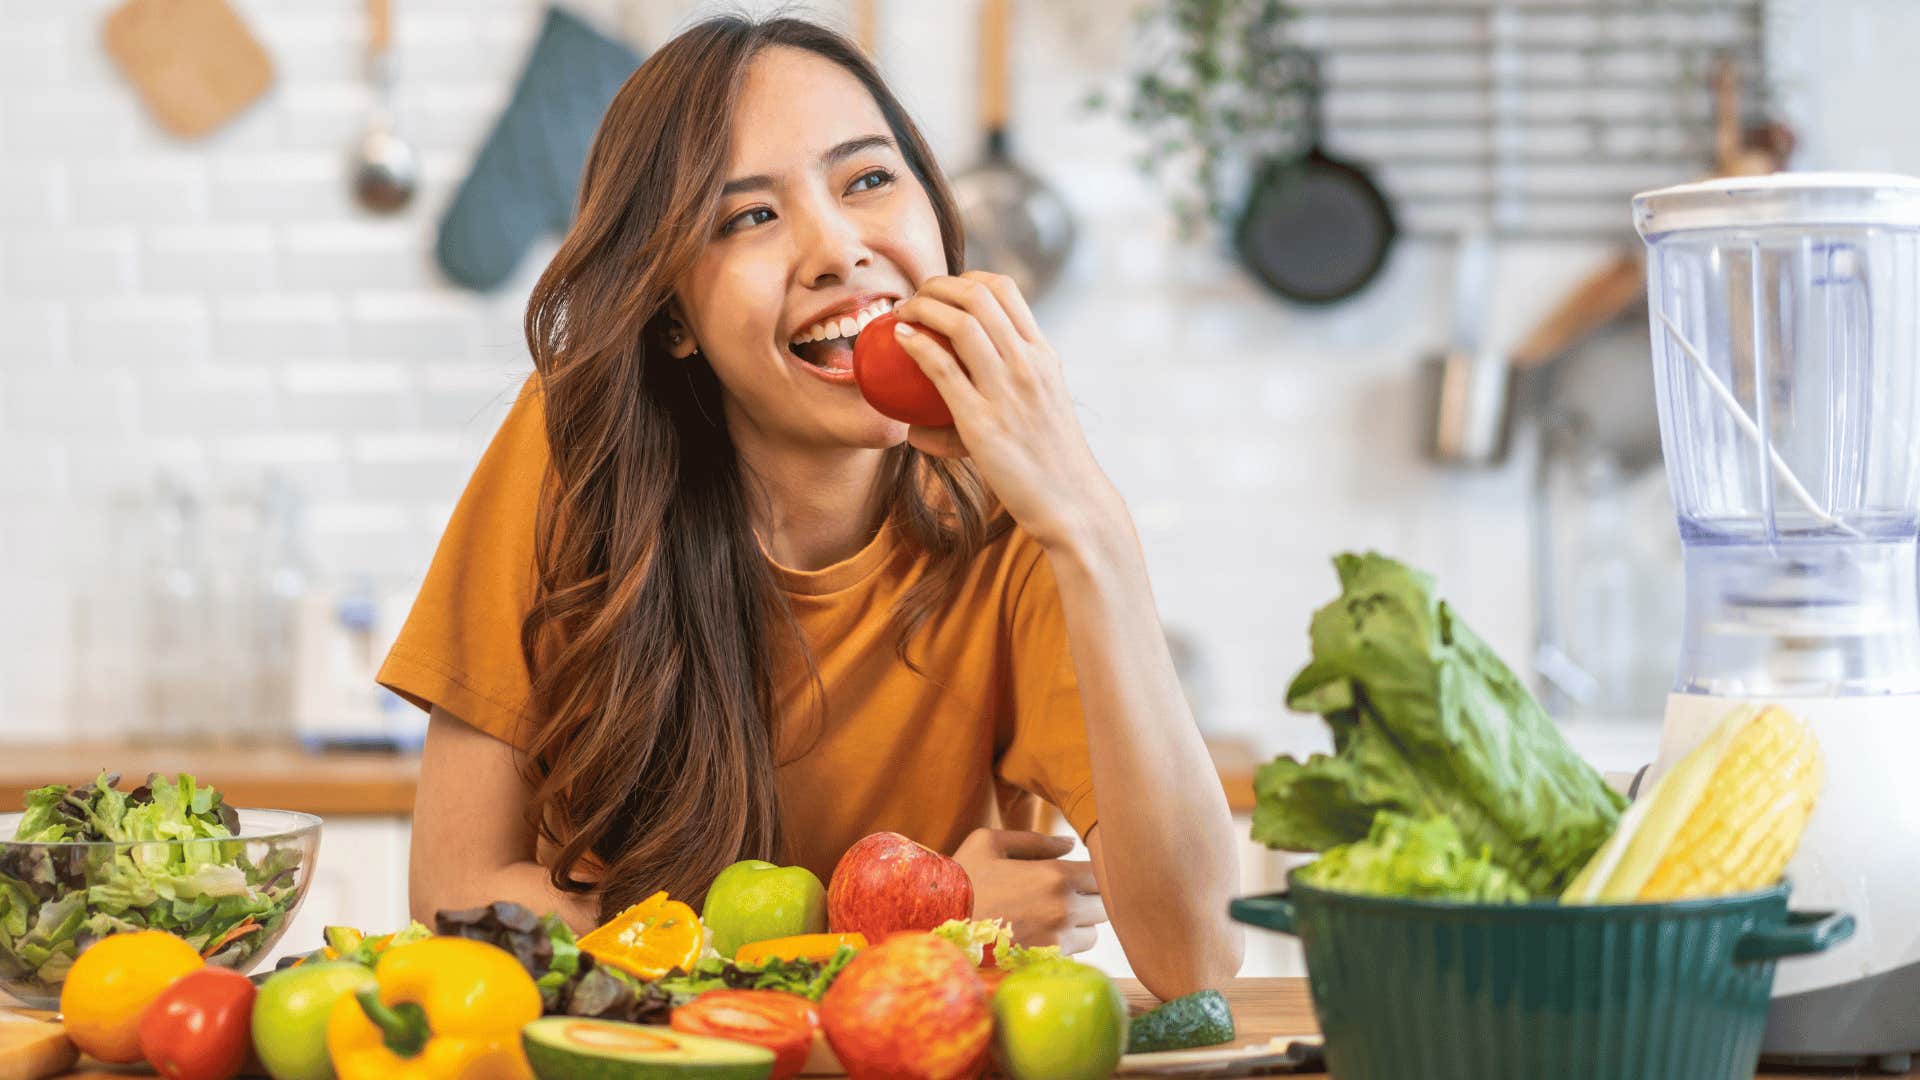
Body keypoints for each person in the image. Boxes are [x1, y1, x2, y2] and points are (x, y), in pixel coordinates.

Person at [382, 14, 1240, 998]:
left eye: (868, 179)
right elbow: (459, 896)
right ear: (673, 320)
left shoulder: (1022, 515)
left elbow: (1196, 958)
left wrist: (1091, 523)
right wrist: (908, 920)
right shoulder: (573, 452)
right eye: (749, 217)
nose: (837, 249)